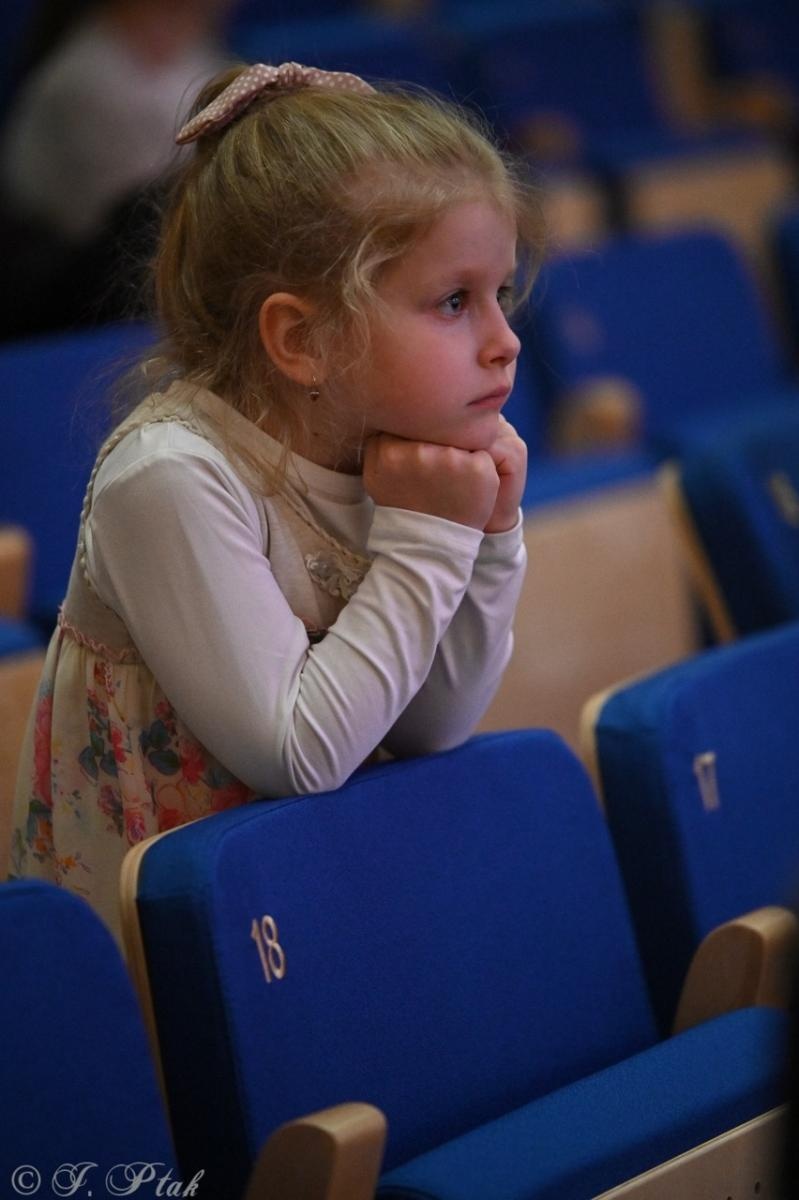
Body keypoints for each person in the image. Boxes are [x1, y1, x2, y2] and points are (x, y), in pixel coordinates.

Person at [8, 60, 544, 940]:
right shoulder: (170, 475)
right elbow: (298, 754)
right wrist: (430, 540)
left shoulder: (395, 450)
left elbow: (431, 726)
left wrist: (489, 541)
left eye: (502, 294)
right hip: (148, 943)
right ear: (301, 340)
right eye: (454, 301)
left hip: (288, 898)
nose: (505, 341)